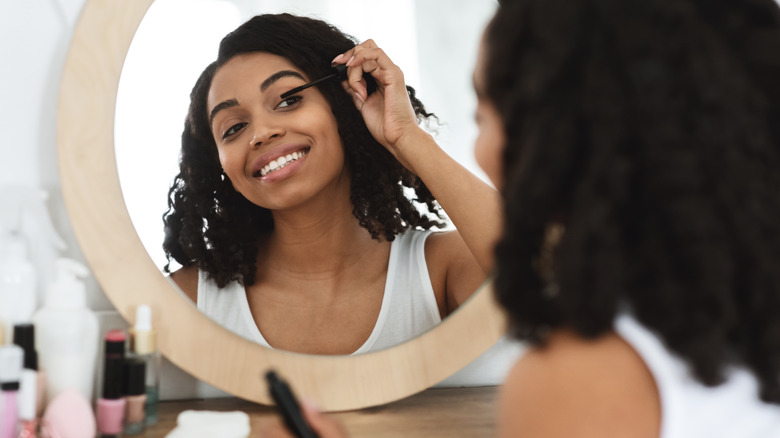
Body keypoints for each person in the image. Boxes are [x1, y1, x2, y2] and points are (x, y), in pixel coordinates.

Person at [261, 0, 780, 436]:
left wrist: (407, 138)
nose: (481, 147)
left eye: (483, 114)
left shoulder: (583, 377)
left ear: (558, 132)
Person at [162, 14, 500, 355]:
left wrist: (406, 137)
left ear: (344, 107)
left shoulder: (441, 267)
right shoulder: (188, 298)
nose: (261, 133)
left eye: (289, 100)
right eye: (233, 128)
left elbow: (545, 274)